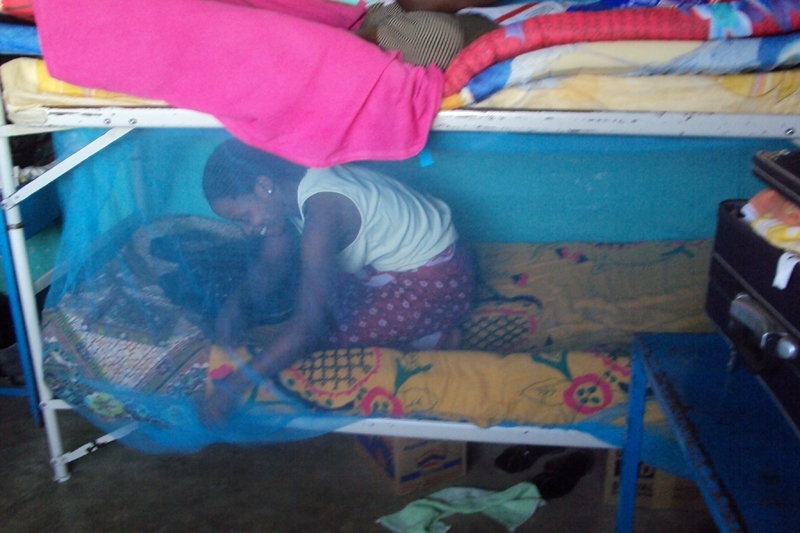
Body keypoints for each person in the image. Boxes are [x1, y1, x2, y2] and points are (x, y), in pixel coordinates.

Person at [199, 138, 476, 422]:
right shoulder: (293, 187)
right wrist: (234, 307)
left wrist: (231, 389)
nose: (248, 230)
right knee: (316, 299)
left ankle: (434, 339)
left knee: (323, 342)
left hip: (437, 284)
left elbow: (308, 328)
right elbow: (272, 264)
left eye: (245, 217)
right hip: (394, 268)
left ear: (264, 186)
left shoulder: (324, 210)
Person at [354, 0, 500, 70]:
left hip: (466, 35)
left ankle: (350, 44)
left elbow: (417, 3)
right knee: (389, 13)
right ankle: (355, 42)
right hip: (412, 19)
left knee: (438, 36)